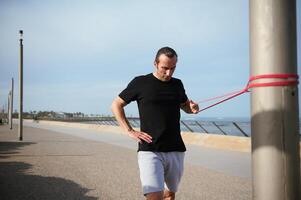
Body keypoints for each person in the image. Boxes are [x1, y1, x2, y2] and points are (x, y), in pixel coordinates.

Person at [111, 47, 199, 200]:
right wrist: (129, 130)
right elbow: (116, 104)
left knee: (169, 194)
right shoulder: (140, 82)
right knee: (154, 196)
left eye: (173, 68)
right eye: (165, 68)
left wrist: (192, 108)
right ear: (155, 63)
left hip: (175, 149)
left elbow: (185, 106)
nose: (169, 73)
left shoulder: (177, 84)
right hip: (149, 149)